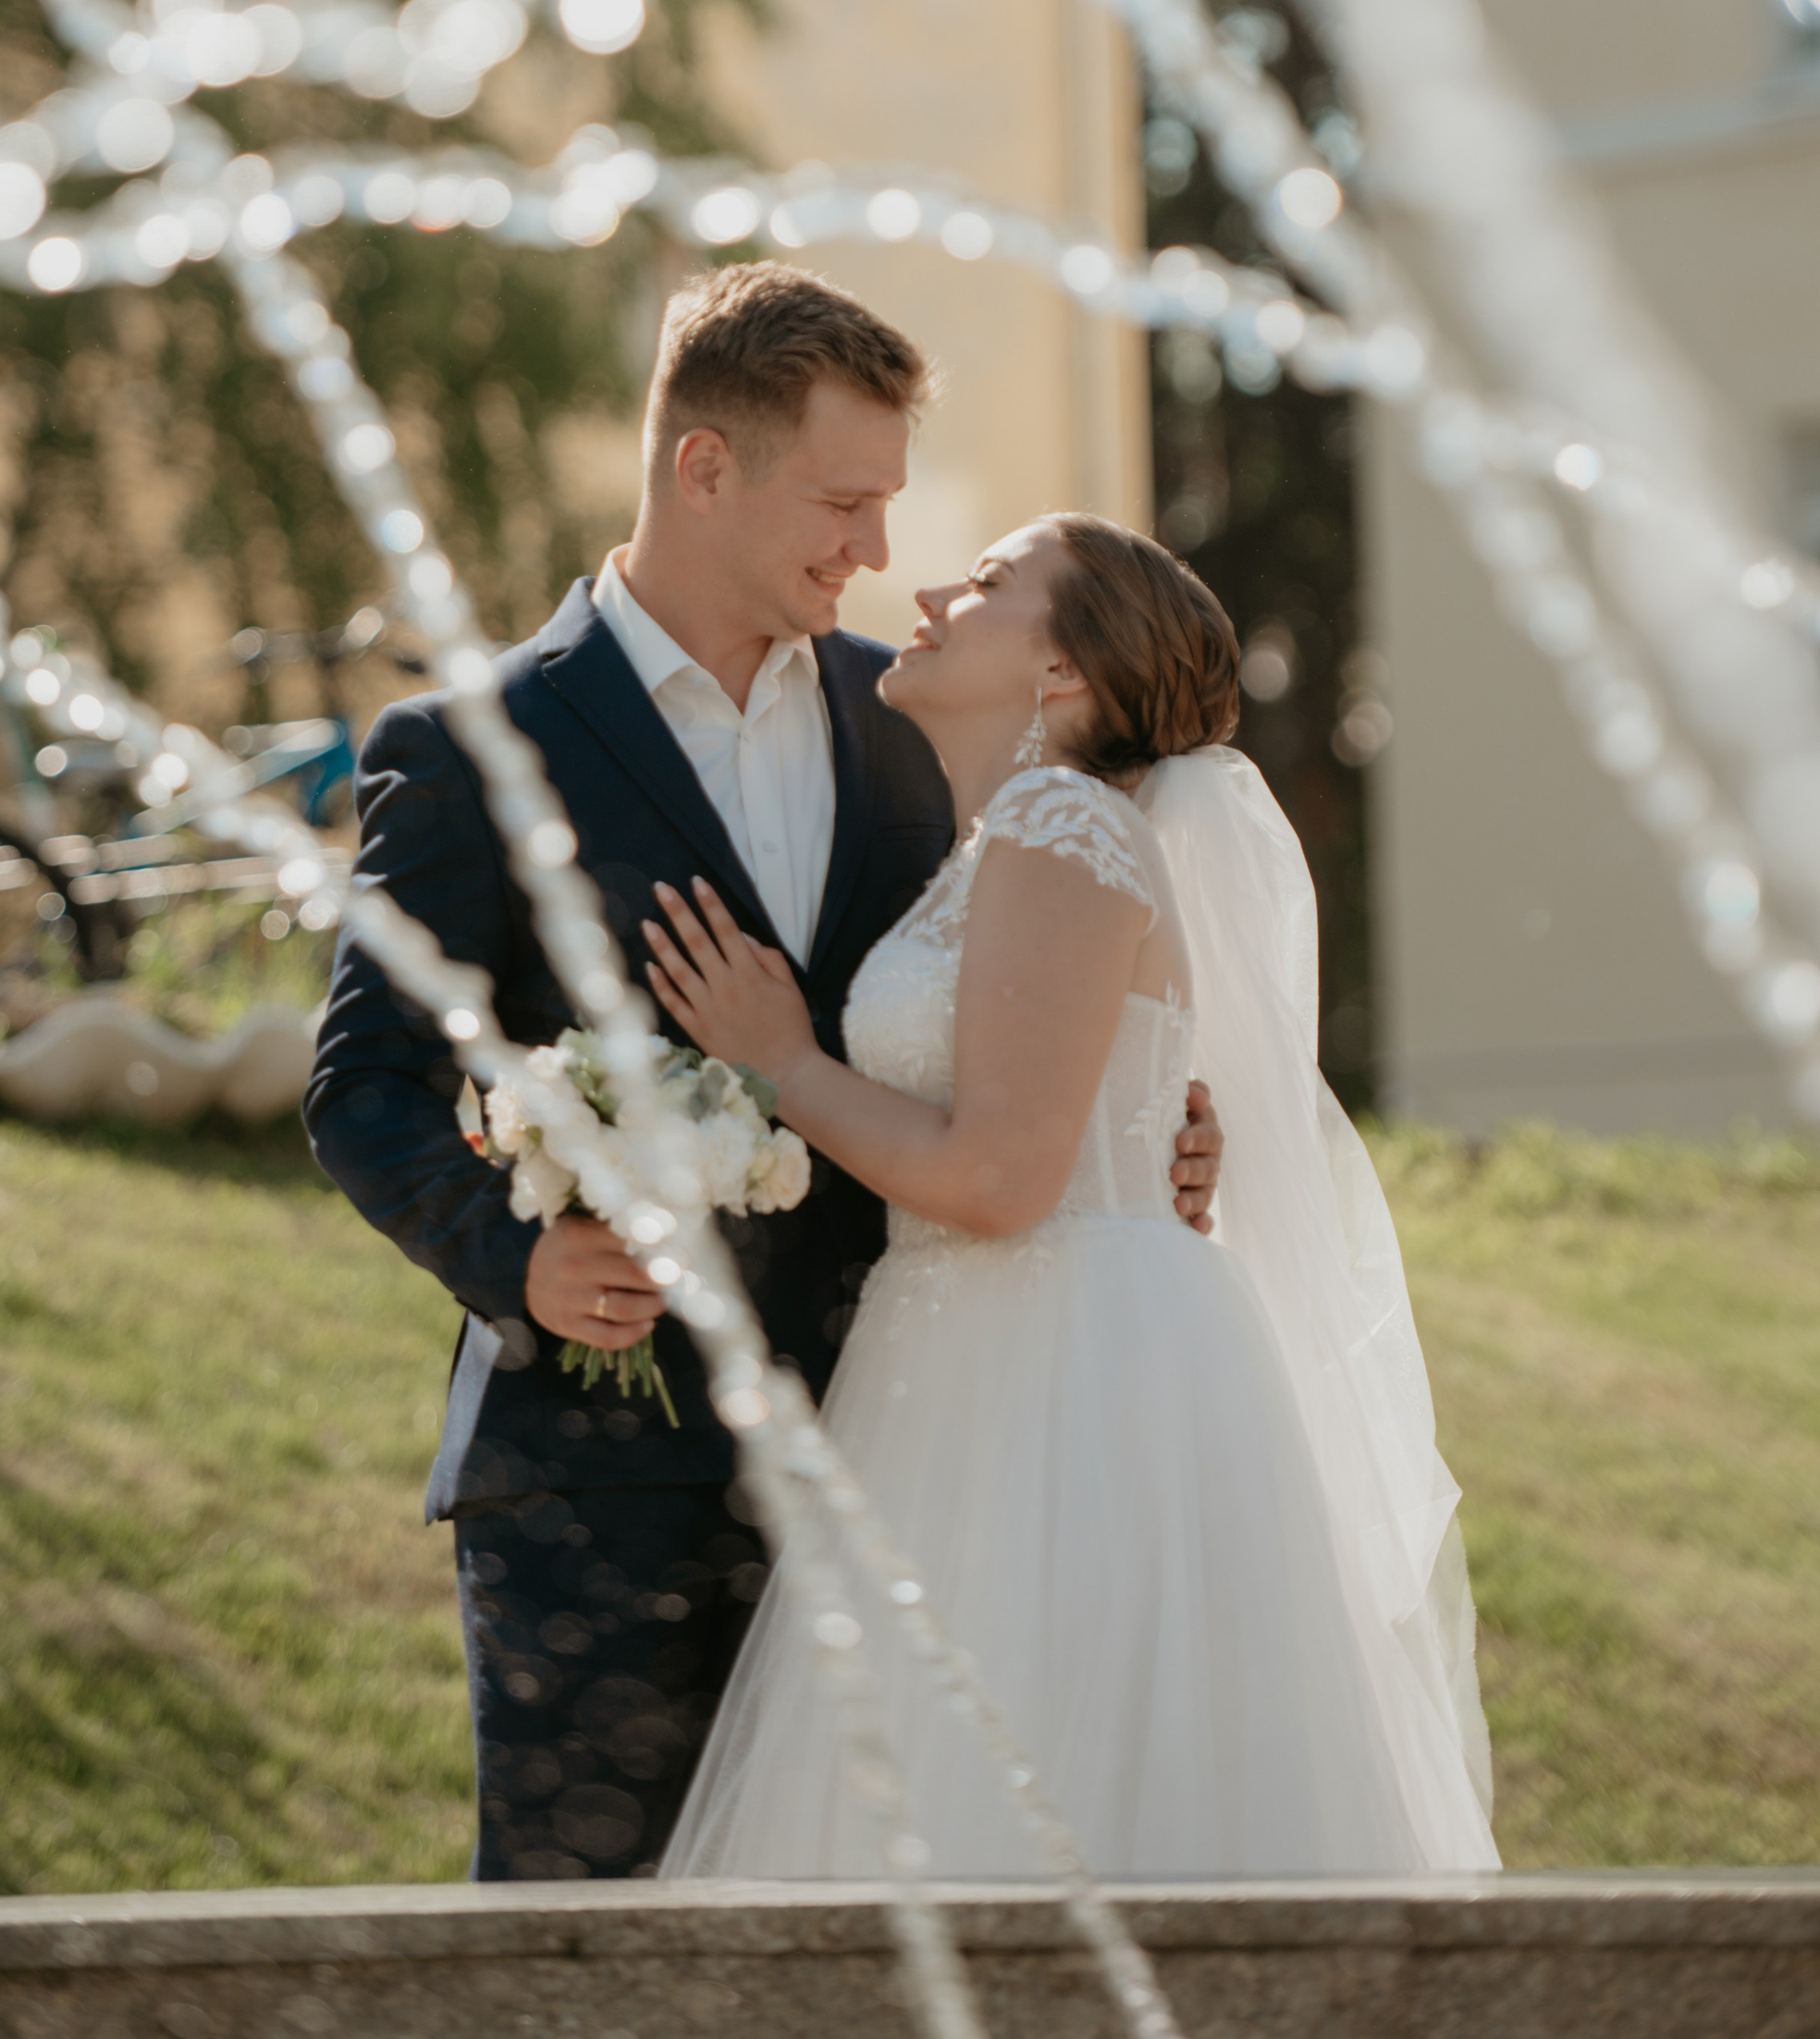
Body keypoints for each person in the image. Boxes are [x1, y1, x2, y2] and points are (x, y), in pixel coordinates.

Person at [303, 266, 1226, 1880]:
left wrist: (1133, 1115)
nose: (874, 551)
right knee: (595, 1971)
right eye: (842, 502)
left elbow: (1012, 989)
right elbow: (361, 1084)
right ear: (703, 467)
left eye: (885, 506)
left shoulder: (918, 724)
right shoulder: (468, 748)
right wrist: (515, 1254)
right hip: (601, 1492)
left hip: (911, 1464)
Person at [648, 516, 1499, 1879]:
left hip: (1065, 1376)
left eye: (986, 585)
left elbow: (995, 1179)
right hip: (986, 1350)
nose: (927, 590)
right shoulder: (1004, 842)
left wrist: (782, 1061)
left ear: (1062, 674)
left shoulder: (1060, 825)